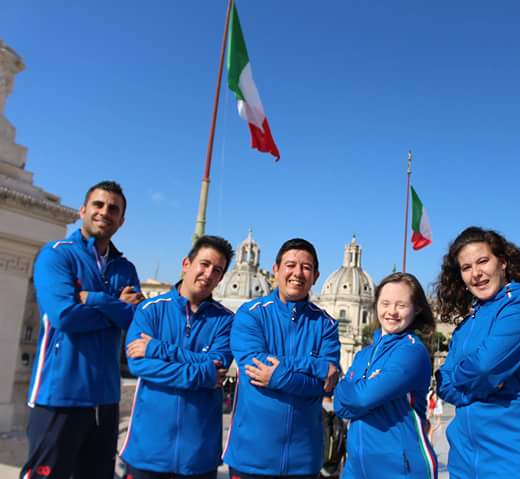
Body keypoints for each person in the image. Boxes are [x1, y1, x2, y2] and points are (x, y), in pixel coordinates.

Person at [21, 180, 144, 479]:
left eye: (113, 208)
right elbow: (65, 316)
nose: (105, 212)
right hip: (59, 394)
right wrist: (115, 306)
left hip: (104, 399)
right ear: (82, 210)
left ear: (122, 220)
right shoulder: (57, 254)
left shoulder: (125, 268)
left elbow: (135, 320)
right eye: (98, 205)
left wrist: (96, 299)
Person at [435, 226, 520, 478]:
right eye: (466, 267)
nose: (476, 273)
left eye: (483, 261)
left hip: (514, 452)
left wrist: (470, 379)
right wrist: (482, 385)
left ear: (502, 262)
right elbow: (444, 384)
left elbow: (484, 367)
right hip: (464, 454)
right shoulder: (468, 322)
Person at [119, 235, 235, 479]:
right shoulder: (150, 309)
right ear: (186, 263)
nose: (208, 273)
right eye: (204, 264)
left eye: (217, 270)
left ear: (221, 278)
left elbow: (217, 368)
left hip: (198, 456)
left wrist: (158, 349)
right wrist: (201, 372)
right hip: (148, 451)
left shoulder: (226, 321)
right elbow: (138, 365)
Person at [223, 238, 340, 479]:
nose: (298, 273)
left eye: (306, 267)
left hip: (304, 461)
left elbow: (325, 384)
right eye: (290, 265)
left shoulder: (326, 324)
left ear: (316, 276)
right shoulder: (250, 314)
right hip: (250, 460)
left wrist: (278, 374)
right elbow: (255, 368)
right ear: (276, 270)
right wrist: (316, 367)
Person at [334, 272, 438, 479]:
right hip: (357, 467)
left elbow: (362, 398)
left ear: (416, 309)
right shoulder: (363, 354)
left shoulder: (412, 351)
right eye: (386, 303)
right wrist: (351, 392)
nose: (392, 312)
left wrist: (345, 386)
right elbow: (339, 406)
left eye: (401, 305)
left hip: (400, 469)